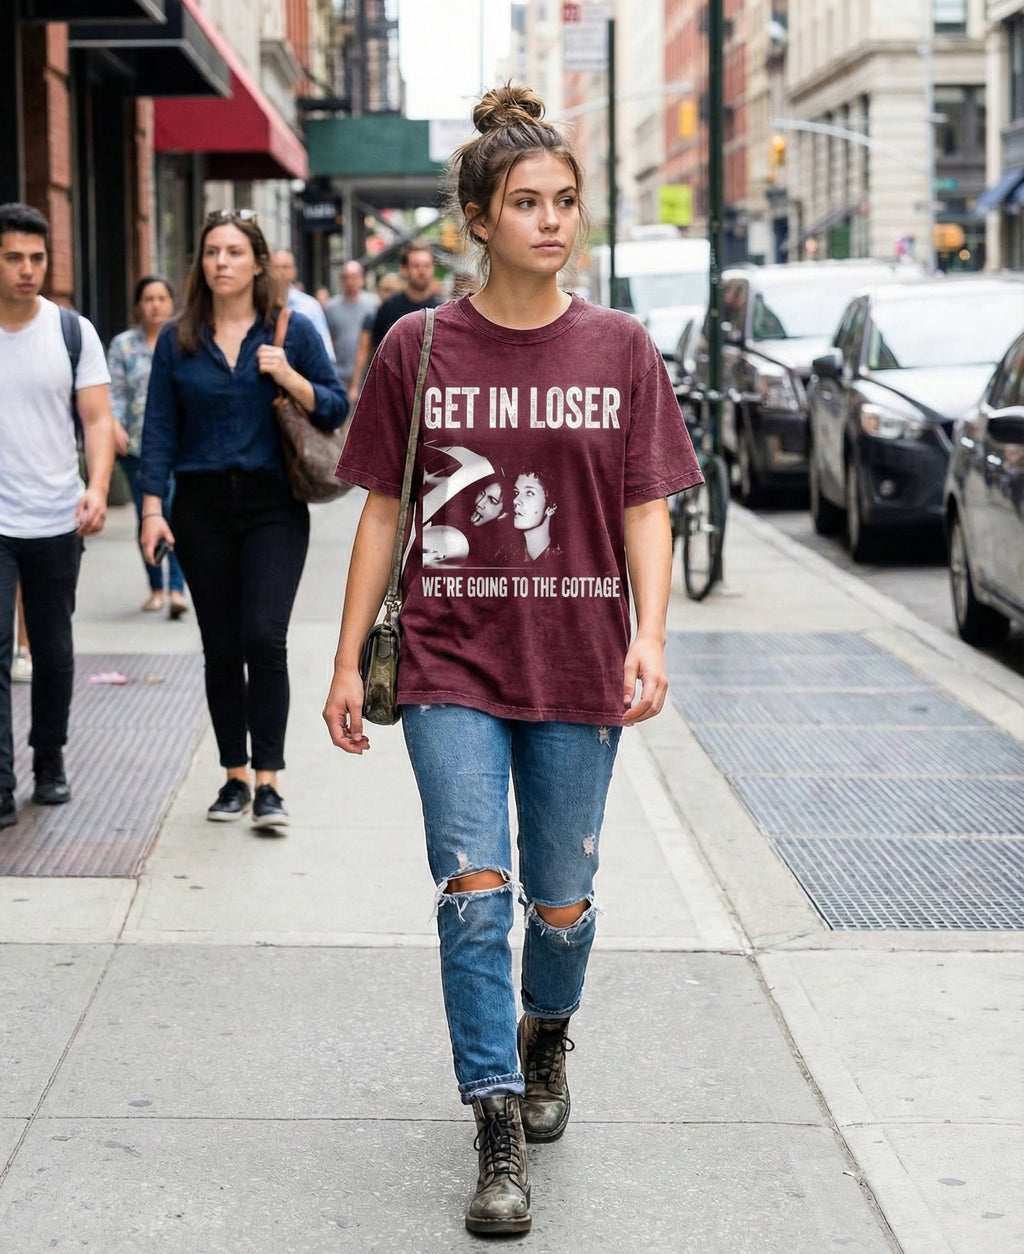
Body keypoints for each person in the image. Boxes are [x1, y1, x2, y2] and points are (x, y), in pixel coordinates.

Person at [322, 85, 701, 1235]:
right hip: (450, 661)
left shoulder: (619, 347)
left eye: (565, 201)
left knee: (562, 906)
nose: (551, 220)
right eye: (527, 203)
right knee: (474, 893)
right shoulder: (419, 345)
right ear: (478, 220)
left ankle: (547, 1034)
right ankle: (494, 1118)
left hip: (577, 658)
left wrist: (649, 634)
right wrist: (345, 662)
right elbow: (382, 513)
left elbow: (645, 507)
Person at [140, 210, 346, 831]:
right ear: (201, 264)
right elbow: (159, 431)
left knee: (263, 636)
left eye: (233, 252)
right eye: (212, 252)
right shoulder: (178, 339)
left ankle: (269, 782)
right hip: (200, 507)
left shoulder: (291, 329)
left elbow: (335, 407)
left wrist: (288, 376)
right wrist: (151, 509)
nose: (221, 262)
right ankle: (233, 775)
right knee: (222, 645)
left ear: (257, 263)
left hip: (272, 506)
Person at [0, 201, 115, 828]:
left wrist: (97, 487)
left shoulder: (72, 332)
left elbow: (97, 420)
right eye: (13, 257)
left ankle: (49, 759)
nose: (27, 269)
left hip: (56, 516)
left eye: (36, 258)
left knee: (52, 649)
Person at [108, 274, 188, 618]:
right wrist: (114, 425)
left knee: (177, 514)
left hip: (180, 448)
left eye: (161, 298)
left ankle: (176, 589)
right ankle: (156, 587)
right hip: (137, 447)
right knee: (148, 515)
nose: (155, 305)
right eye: (148, 299)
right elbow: (113, 393)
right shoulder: (124, 345)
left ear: (172, 303)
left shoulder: (184, 340)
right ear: (138, 306)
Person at [367, 239, 441, 356]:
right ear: (404, 269)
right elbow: (377, 351)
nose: (422, 271)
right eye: (416, 266)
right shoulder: (389, 308)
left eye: (426, 266)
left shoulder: (441, 311)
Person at [270, 248, 337, 365]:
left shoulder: (309, 306)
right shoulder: (257, 304)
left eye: (285, 267)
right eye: (275, 267)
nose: (280, 272)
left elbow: (325, 350)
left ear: (294, 271)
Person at [324, 260, 378, 392]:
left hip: (367, 374)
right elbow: (328, 339)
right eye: (346, 277)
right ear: (341, 280)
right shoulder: (330, 307)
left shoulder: (373, 305)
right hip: (339, 373)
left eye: (354, 277)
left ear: (362, 279)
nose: (350, 282)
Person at [349, 271, 403, 399]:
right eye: (386, 290)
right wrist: (355, 386)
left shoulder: (405, 317)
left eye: (393, 290)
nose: (389, 294)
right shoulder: (372, 317)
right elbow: (363, 350)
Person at [511, 466, 559, 563]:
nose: (515, 500)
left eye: (529, 493)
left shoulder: (561, 562)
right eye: (516, 492)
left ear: (551, 508)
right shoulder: (508, 557)